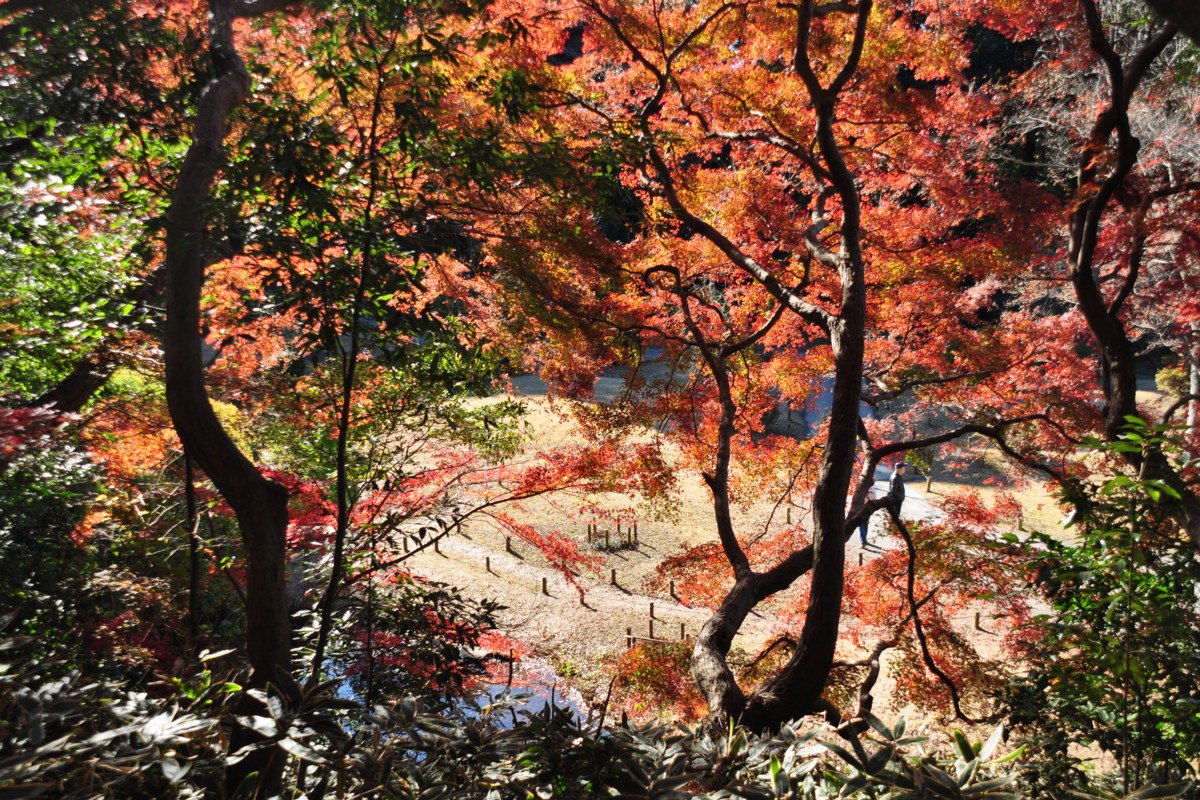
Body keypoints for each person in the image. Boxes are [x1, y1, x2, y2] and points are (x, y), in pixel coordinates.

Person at [859, 462, 907, 547]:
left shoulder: (898, 476)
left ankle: (864, 539)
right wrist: (900, 497)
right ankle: (863, 540)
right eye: (904, 467)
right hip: (863, 506)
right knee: (861, 523)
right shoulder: (895, 477)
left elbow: (874, 495)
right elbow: (893, 490)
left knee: (866, 523)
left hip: (869, 506)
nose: (874, 479)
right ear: (899, 468)